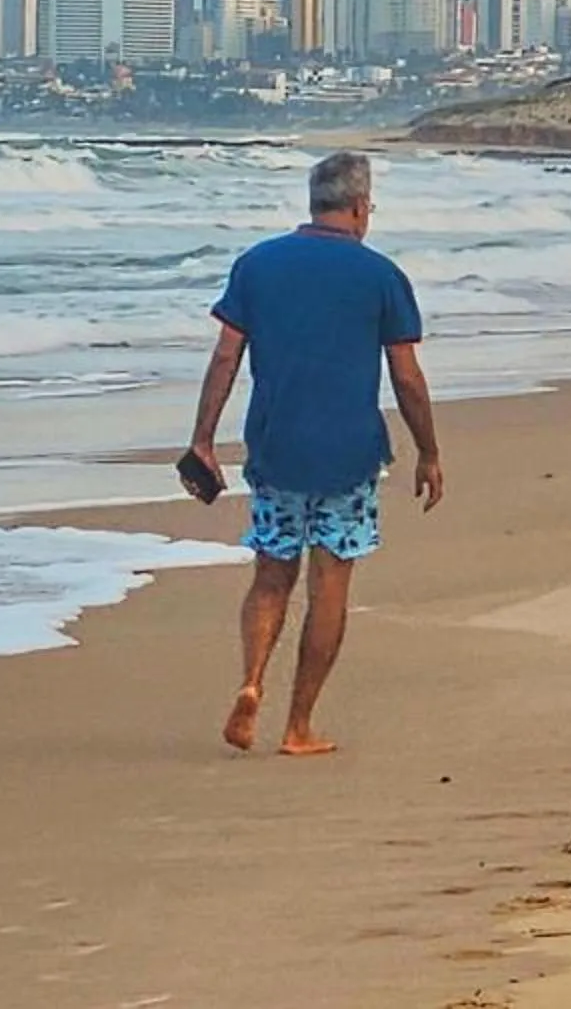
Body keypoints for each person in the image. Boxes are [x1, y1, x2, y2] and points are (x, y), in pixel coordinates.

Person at [181, 151, 443, 757]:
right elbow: (405, 375)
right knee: (330, 584)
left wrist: (202, 438)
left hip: (275, 449)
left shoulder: (258, 264)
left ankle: (250, 683)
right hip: (349, 455)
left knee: (272, 575)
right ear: (358, 207)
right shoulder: (380, 275)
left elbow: (226, 356)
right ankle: (297, 725)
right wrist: (428, 450)